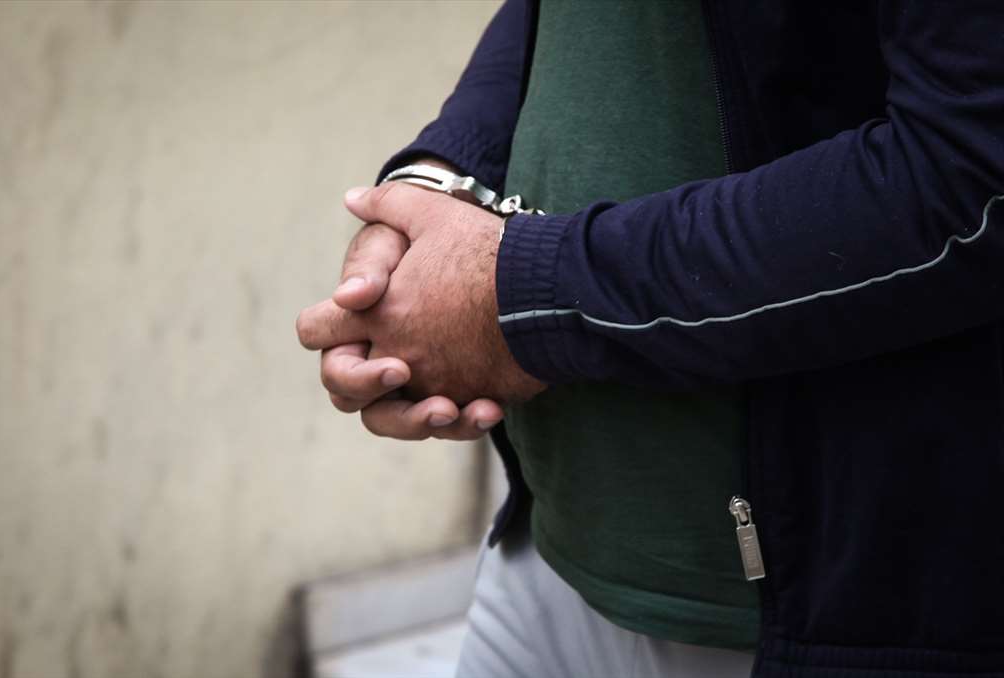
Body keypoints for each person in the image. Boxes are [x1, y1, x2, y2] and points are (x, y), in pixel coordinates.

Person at [296, 1, 1004, 676]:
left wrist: (527, 300)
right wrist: (442, 179)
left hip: (814, 617)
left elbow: (969, 176)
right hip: (548, 550)